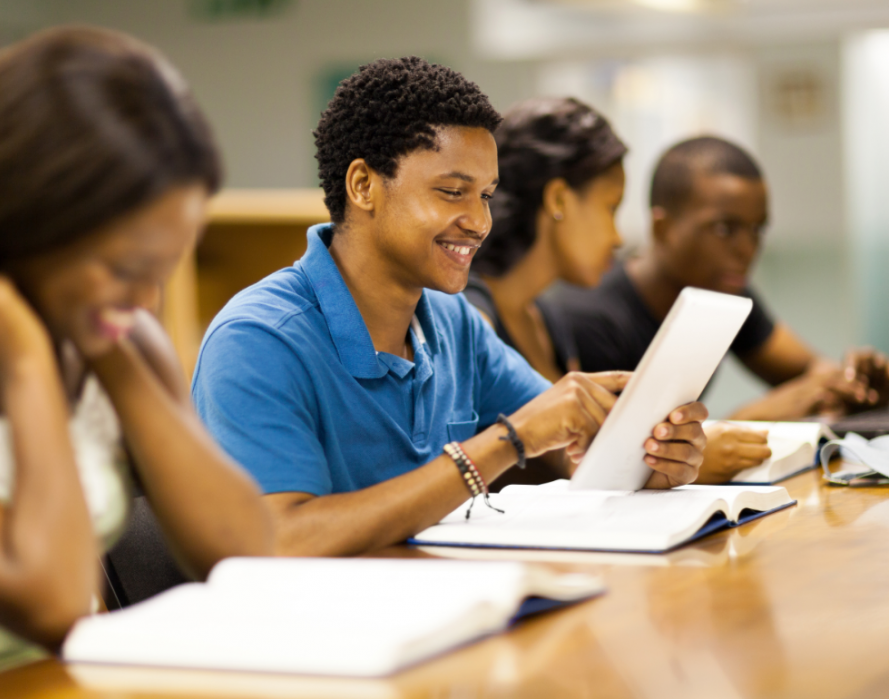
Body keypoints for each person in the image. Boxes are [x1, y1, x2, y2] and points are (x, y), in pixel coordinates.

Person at [192, 57, 708, 559]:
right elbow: (282, 541)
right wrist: (505, 442)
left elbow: (571, 445)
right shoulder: (258, 339)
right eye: (452, 192)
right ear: (363, 186)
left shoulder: (452, 323)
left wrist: (651, 460)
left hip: (437, 614)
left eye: (485, 195)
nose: (479, 221)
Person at [0, 27, 273, 695]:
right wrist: (27, 370)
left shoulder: (115, 335)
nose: (144, 299)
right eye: (124, 268)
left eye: (162, 268)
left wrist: (115, 353)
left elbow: (240, 548)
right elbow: (51, 603)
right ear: (21, 222)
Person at [466, 103, 771, 484]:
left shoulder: (548, 318)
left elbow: (581, 461)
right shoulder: (469, 317)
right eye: (610, 208)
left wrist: (667, 458)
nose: (618, 237)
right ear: (559, 200)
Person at [539, 136, 888, 433]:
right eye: (725, 229)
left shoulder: (724, 296)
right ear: (662, 228)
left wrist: (859, 384)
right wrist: (747, 418)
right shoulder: (591, 317)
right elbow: (620, 464)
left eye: (757, 230)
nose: (747, 249)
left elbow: (815, 375)